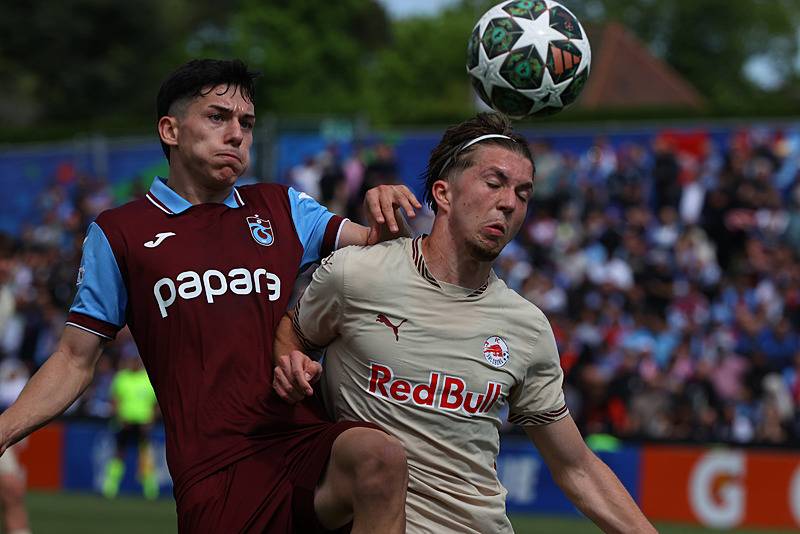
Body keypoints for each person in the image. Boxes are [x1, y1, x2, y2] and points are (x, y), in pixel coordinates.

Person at [0, 58, 423, 533]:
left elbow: (382, 254)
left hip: (303, 439)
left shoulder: (281, 206)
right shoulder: (120, 233)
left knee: (380, 458)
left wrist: (386, 212)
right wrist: (4, 430)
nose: (237, 134)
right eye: (218, 117)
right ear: (171, 130)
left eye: (247, 123)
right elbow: (74, 361)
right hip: (214, 473)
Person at [274, 112, 659, 533]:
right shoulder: (357, 274)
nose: (509, 203)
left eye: (523, 194)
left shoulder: (526, 326)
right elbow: (292, 334)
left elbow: (577, 468)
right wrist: (291, 366)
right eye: (494, 183)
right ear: (443, 193)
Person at [101, 334, 160, 500]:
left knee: (145, 455)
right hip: (125, 422)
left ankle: (150, 488)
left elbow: (155, 403)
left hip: (142, 423)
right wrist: (119, 417)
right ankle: (111, 486)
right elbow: (115, 400)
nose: (134, 362)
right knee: (119, 452)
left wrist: (151, 420)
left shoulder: (147, 378)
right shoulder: (122, 378)